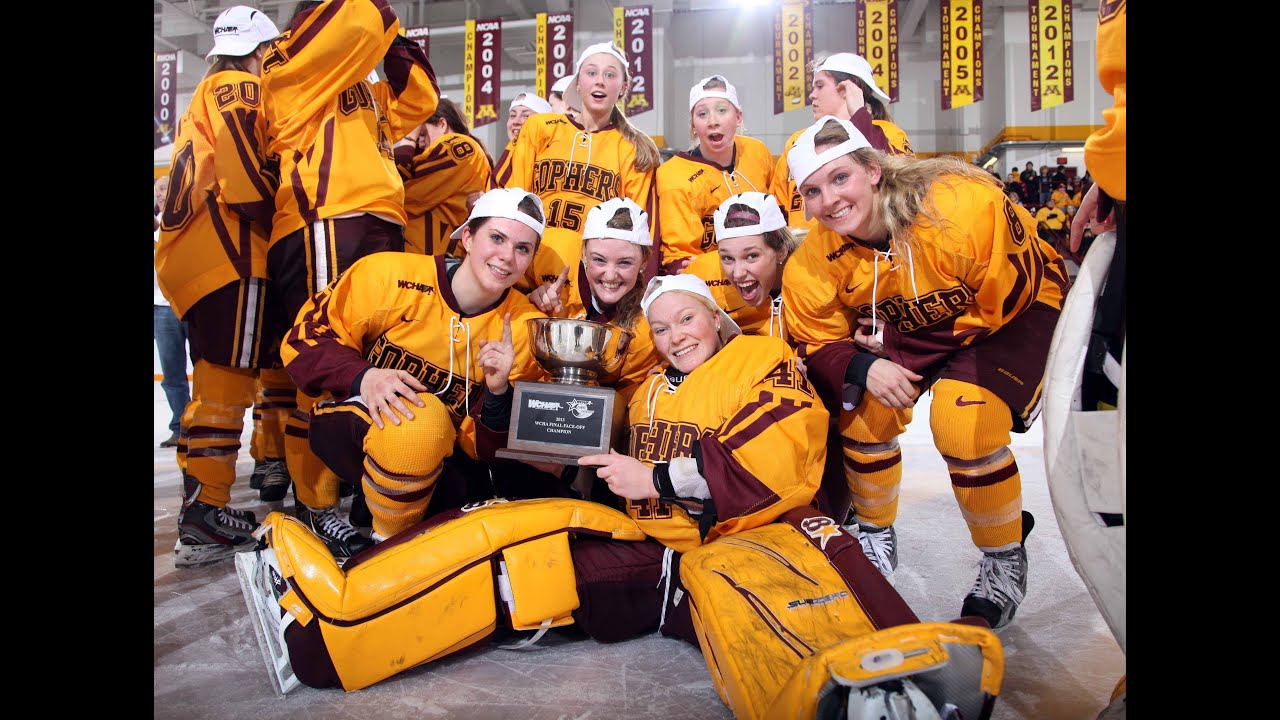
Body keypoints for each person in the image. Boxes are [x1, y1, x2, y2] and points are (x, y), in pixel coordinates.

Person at [780, 115, 1072, 630]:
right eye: (812, 191)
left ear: (873, 169)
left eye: (840, 178)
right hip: (923, 324)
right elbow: (815, 337)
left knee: (964, 419)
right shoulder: (813, 259)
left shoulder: (960, 204)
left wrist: (898, 345)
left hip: (1010, 313)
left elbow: (1009, 291)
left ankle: (1004, 558)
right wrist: (863, 363)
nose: (829, 201)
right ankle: (874, 533)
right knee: (865, 414)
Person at [259, 0, 440, 557]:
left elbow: (422, 96)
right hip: (324, 218)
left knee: (375, 363)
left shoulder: (361, 88)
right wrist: (381, 20)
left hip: (379, 221)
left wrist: (394, 39)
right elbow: (359, 20)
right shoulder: (284, 66)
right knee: (322, 361)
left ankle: (357, 486)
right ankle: (315, 506)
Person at [281, 188, 554, 545]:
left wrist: (498, 392)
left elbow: (489, 451)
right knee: (418, 421)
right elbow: (304, 341)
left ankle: (382, 509)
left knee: (500, 491)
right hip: (351, 424)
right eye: (497, 238)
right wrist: (364, 376)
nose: (507, 256)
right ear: (468, 237)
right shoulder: (390, 273)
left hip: (442, 457)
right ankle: (378, 544)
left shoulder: (524, 326)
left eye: (523, 248)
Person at [571, 273, 829, 643]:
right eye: (660, 329)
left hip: (743, 543)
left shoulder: (761, 356)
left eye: (686, 319)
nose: (675, 337)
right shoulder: (647, 390)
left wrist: (656, 481)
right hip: (657, 546)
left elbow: (776, 449)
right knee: (561, 576)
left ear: (715, 316)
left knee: (766, 633)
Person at [155, 5, 280, 567]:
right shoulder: (237, 87)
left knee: (212, 386)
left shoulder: (201, 96)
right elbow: (245, 177)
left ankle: (199, 503)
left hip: (199, 260)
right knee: (227, 391)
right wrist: (281, 210)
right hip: (233, 256)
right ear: (259, 52)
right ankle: (207, 510)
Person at [493, 41, 661, 292]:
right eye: (591, 73)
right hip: (526, 277)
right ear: (578, 82)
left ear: (623, 86)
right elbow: (512, 205)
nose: (600, 81)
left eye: (610, 74)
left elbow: (637, 234)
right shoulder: (540, 128)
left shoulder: (634, 148)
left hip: (595, 286)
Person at [526, 196, 663, 483]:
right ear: (583, 254)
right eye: (599, 260)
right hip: (543, 424)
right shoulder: (553, 264)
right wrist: (529, 300)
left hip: (601, 445)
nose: (610, 275)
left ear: (643, 263)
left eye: (625, 262)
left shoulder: (651, 321)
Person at [770, 53, 913, 230]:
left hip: (862, 251)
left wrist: (861, 118)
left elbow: (904, 186)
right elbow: (779, 205)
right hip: (806, 251)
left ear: (847, 88)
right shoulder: (797, 142)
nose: (812, 95)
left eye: (819, 86)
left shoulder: (887, 131)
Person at [655, 75, 777, 275]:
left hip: (763, 279)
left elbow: (778, 221)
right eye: (702, 114)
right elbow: (681, 261)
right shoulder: (674, 175)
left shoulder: (757, 152)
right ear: (693, 125)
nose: (713, 121)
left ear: (738, 117)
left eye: (722, 110)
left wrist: (708, 262)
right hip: (710, 288)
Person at [683, 191, 797, 339]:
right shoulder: (702, 276)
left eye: (751, 256)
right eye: (728, 258)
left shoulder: (814, 272)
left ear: (781, 251)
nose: (738, 273)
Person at [394, 97, 494, 256]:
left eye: (422, 133)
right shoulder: (467, 149)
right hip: (431, 257)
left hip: (436, 258)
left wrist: (408, 140)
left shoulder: (460, 145)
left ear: (442, 124)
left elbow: (399, 191)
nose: (419, 143)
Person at [153, 175, 190, 450]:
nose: (161, 194)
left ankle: (201, 425)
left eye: (166, 187)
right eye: (157, 190)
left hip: (191, 305)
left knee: (205, 369)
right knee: (172, 375)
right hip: (161, 309)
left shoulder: (191, 223)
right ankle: (180, 426)